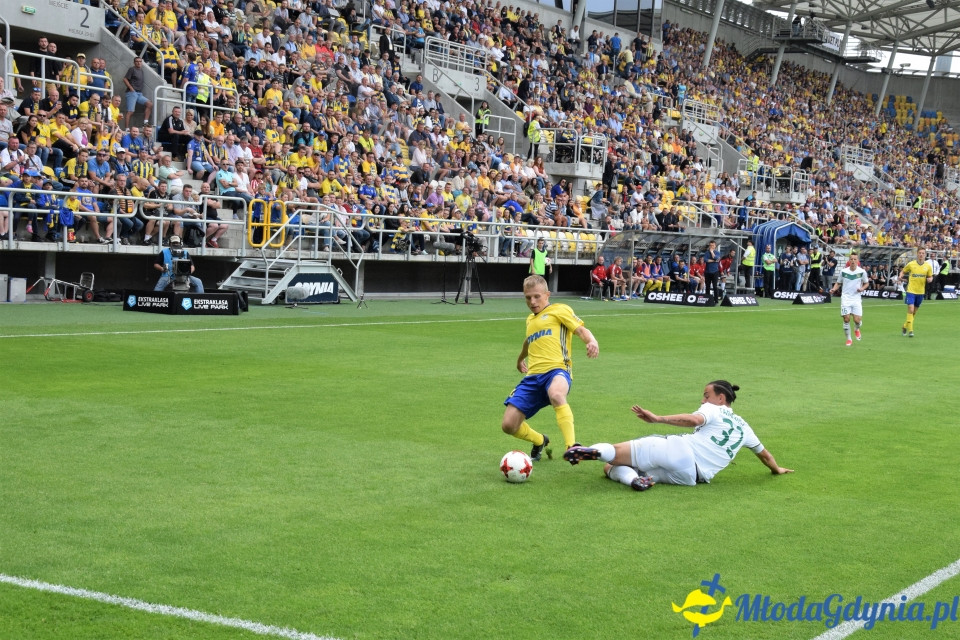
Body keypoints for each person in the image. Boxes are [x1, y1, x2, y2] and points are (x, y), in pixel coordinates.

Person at [563, 380, 793, 491]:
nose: (703, 401)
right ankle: (634, 480)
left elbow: (693, 420)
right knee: (609, 469)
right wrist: (777, 469)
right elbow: (765, 456)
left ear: (721, 398)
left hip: (681, 450)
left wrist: (658, 418)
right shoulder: (746, 428)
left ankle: (588, 451)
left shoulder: (714, 410)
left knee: (614, 455)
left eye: (706, 395)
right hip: (691, 477)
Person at [501, 275, 599, 462]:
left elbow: (580, 329)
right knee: (508, 425)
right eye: (528, 297)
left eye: (537, 296)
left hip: (558, 370)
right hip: (532, 378)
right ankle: (540, 440)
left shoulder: (559, 310)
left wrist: (591, 341)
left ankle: (572, 447)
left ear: (547, 294)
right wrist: (520, 359)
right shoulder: (530, 320)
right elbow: (529, 340)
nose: (532, 301)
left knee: (556, 393)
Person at [830, 251, 869, 347]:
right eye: (851, 259)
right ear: (849, 260)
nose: (853, 261)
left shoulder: (862, 272)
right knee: (846, 319)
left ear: (857, 261)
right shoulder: (844, 271)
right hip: (846, 298)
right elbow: (838, 283)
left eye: (855, 259)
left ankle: (856, 329)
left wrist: (862, 289)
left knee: (857, 320)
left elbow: (866, 283)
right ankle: (849, 339)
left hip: (856, 298)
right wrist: (834, 289)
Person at [899, 247, 934, 338]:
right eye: (920, 253)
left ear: (925, 255)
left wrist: (930, 279)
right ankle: (911, 331)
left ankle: (904, 326)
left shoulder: (928, 266)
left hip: (921, 292)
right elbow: (903, 271)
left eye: (923, 253)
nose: (921, 255)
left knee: (914, 312)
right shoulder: (911, 264)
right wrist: (900, 276)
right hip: (911, 290)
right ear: (917, 254)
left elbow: (930, 276)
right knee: (910, 309)